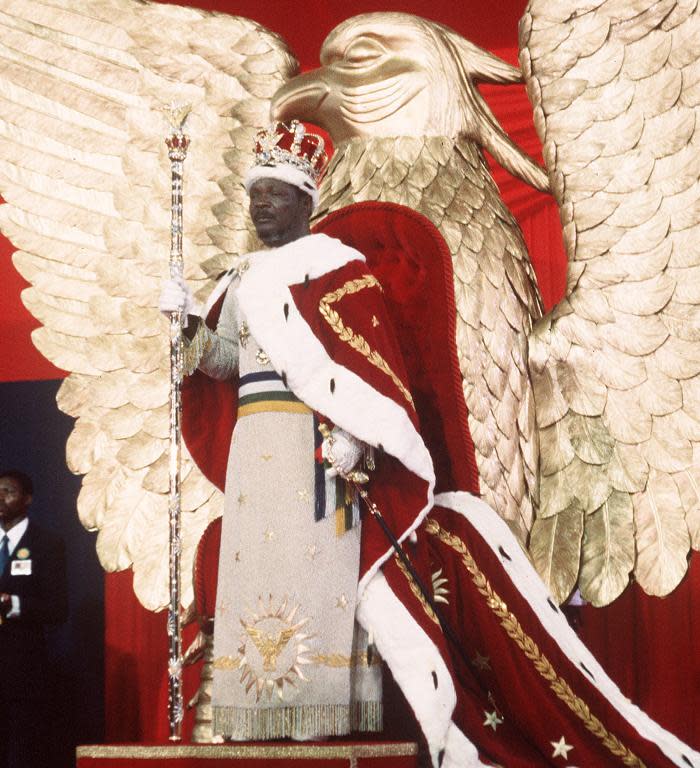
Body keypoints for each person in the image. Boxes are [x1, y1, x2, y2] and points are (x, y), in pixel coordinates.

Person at [161, 120, 389, 740]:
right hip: (253, 443)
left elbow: (364, 360)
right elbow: (230, 362)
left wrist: (354, 432)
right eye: (254, 193)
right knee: (255, 566)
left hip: (313, 443)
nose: (260, 205)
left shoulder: (337, 265)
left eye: (274, 194)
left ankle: (320, 713)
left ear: (305, 201)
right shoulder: (241, 277)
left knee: (315, 568)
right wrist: (188, 329)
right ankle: (259, 713)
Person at [0, 469, 68, 768]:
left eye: (9, 492)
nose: (1, 498)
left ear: (27, 499)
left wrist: (13, 604)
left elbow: (57, 609)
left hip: (22, 667)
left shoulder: (46, 544)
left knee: (21, 748)